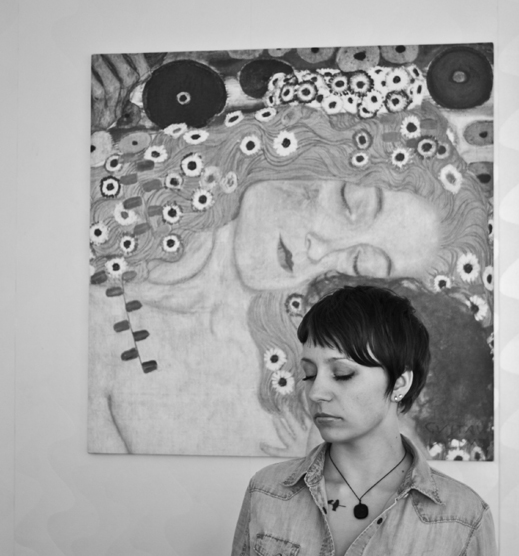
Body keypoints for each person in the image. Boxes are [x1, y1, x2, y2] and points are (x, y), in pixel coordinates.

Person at [88, 55, 493, 457]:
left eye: (360, 265)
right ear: (311, 147)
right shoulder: (99, 265)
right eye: (349, 203)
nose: (323, 249)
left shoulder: (296, 414)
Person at [231, 285, 497, 555]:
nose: (315, 392)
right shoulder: (266, 491)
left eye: (342, 373)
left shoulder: (463, 519)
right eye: (309, 374)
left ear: (399, 383)